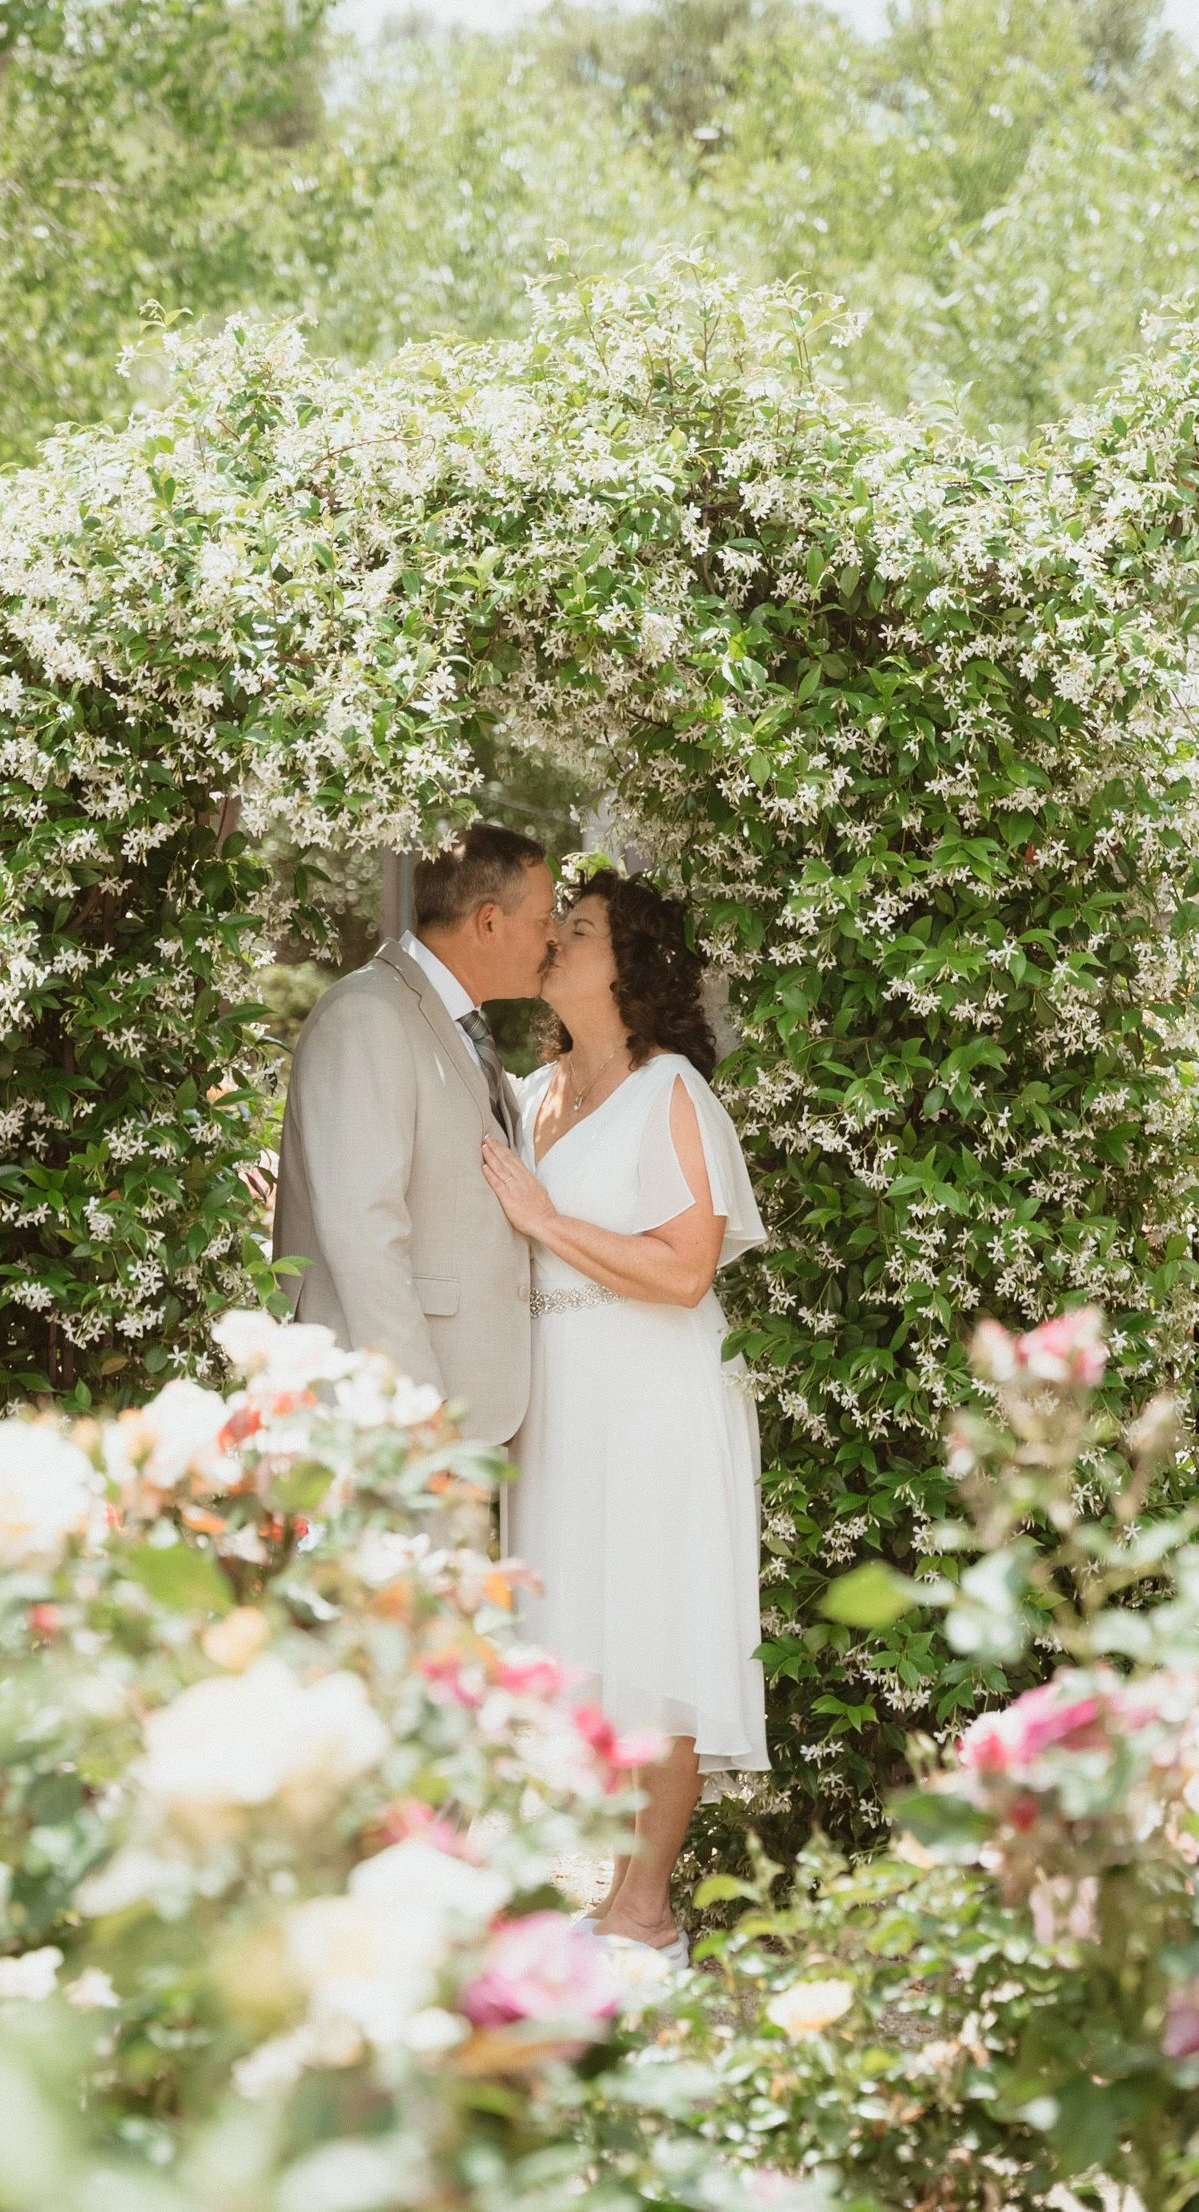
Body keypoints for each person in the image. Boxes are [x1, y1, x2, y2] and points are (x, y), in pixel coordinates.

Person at [480, 872, 769, 1960]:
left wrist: (546, 1222)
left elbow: (686, 1269)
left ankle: (644, 1907)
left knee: (657, 1631)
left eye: (582, 927)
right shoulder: (531, 1089)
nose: (554, 937)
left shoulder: (671, 1091)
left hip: (653, 1394)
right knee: (582, 1630)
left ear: (630, 962)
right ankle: (604, 1882)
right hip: (563, 1393)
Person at [273, 822, 558, 1483]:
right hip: (382, 1422)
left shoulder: (458, 1021)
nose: (552, 937)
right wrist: (418, 1415)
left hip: (453, 1414)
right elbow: (361, 1232)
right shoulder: (366, 1015)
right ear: (488, 921)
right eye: (543, 918)